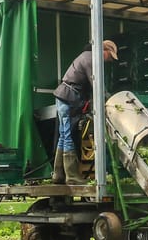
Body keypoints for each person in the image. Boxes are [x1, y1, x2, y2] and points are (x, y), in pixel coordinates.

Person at [50, 40, 117, 186]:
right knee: (67, 136)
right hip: (67, 97)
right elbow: (96, 84)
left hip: (65, 97)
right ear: (103, 50)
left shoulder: (86, 56)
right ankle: (72, 177)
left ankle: (58, 175)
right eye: (109, 56)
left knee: (63, 136)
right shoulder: (90, 58)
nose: (109, 60)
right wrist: (110, 100)